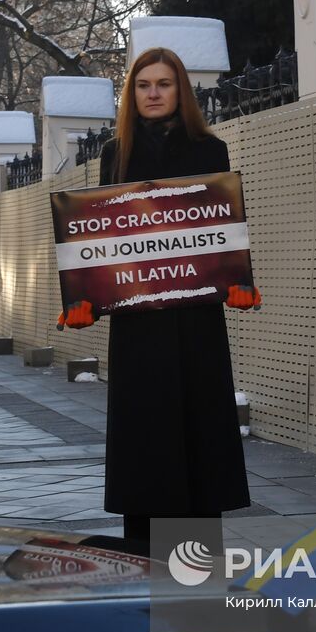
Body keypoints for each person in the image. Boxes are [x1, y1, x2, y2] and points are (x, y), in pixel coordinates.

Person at [62, 47, 258, 548]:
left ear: (180, 91)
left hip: (196, 322)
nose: (153, 93)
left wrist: (237, 283)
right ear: (132, 94)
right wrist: (87, 299)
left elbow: (220, 233)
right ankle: (143, 566)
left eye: (163, 84)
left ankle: (196, 581)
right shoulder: (115, 154)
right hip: (138, 325)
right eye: (144, 85)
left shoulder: (209, 151)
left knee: (198, 442)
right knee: (144, 444)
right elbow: (107, 239)